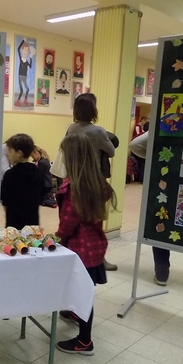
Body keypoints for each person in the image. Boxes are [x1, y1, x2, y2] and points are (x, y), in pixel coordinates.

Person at [129, 131, 183, 291]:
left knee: (162, 225)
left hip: (166, 184)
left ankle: (161, 274)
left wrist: (153, 158)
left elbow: (135, 144)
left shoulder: (167, 126)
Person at [55, 132, 117, 355]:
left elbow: (68, 223)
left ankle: (84, 341)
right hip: (95, 246)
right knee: (85, 288)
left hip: (79, 249)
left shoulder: (73, 187)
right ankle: (75, 313)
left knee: (83, 293)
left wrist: (55, 239)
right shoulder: (96, 183)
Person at [67, 92, 118, 271]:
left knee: (74, 220)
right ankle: (98, 258)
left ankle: (76, 256)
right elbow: (111, 151)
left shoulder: (71, 128)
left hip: (73, 179)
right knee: (95, 221)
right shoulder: (98, 131)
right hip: (93, 181)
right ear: (93, 110)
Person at [1, 134, 46, 229]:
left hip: (14, 223)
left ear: (19, 153)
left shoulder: (10, 174)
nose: (8, 154)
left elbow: (5, 202)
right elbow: (41, 195)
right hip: (33, 221)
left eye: (10, 151)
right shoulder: (37, 171)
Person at [15, 39, 33, 107]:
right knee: (22, 90)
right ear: (22, 50)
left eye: (27, 50)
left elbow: (30, 66)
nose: (25, 51)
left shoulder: (27, 61)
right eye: (24, 49)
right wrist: (23, 41)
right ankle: (18, 101)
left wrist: (31, 58)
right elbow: (18, 49)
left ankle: (25, 101)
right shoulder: (21, 59)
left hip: (24, 77)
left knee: (27, 89)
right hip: (20, 76)